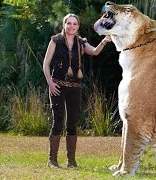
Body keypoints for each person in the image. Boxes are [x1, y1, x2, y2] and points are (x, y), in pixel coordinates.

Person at [43, 13, 111, 168]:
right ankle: (52, 160)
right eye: (69, 23)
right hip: (57, 86)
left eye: (74, 24)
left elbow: (94, 52)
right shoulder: (55, 41)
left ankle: (71, 161)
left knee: (72, 123)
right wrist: (50, 83)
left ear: (78, 26)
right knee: (58, 121)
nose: (71, 26)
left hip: (75, 88)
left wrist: (105, 41)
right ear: (64, 24)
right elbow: (46, 64)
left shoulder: (81, 42)